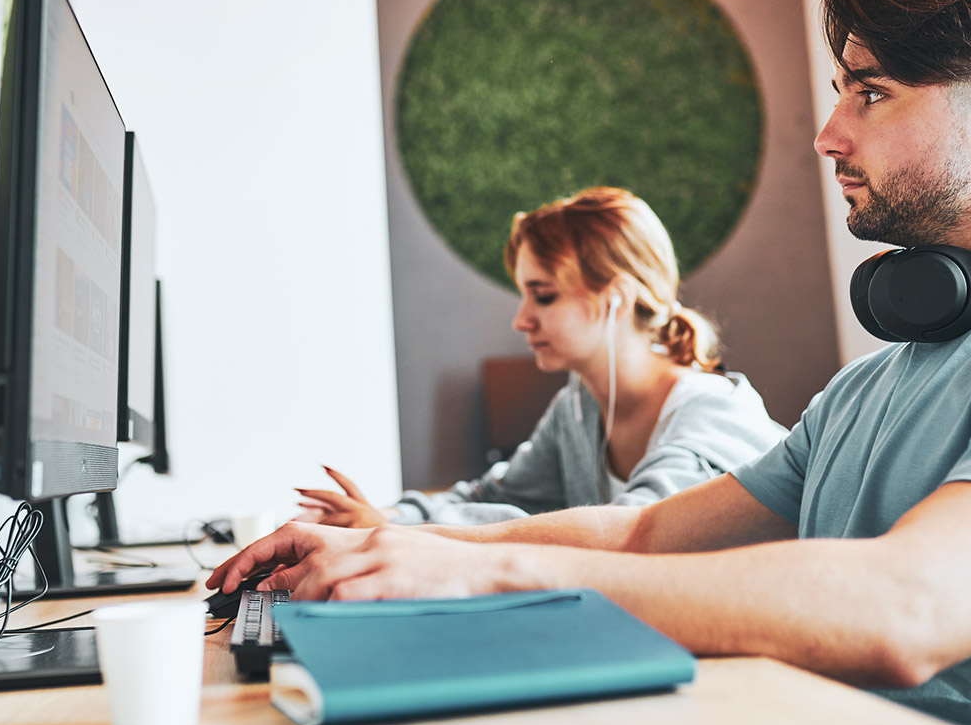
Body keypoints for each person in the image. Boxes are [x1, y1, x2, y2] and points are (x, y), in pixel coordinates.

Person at [211, 0, 971, 725]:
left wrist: (486, 578)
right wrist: (405, 548)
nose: (829, 133)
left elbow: (908, 609)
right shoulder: (876, 384)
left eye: (870, 93)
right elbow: (648, 536)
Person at [295, 186, 787, 528]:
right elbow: (491, 498)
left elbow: (633, 534)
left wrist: (405, 537)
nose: (521, 320)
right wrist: (387, 519)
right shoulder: (580, 406)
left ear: (614, 298)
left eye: (544, 295)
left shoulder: (710, 414)